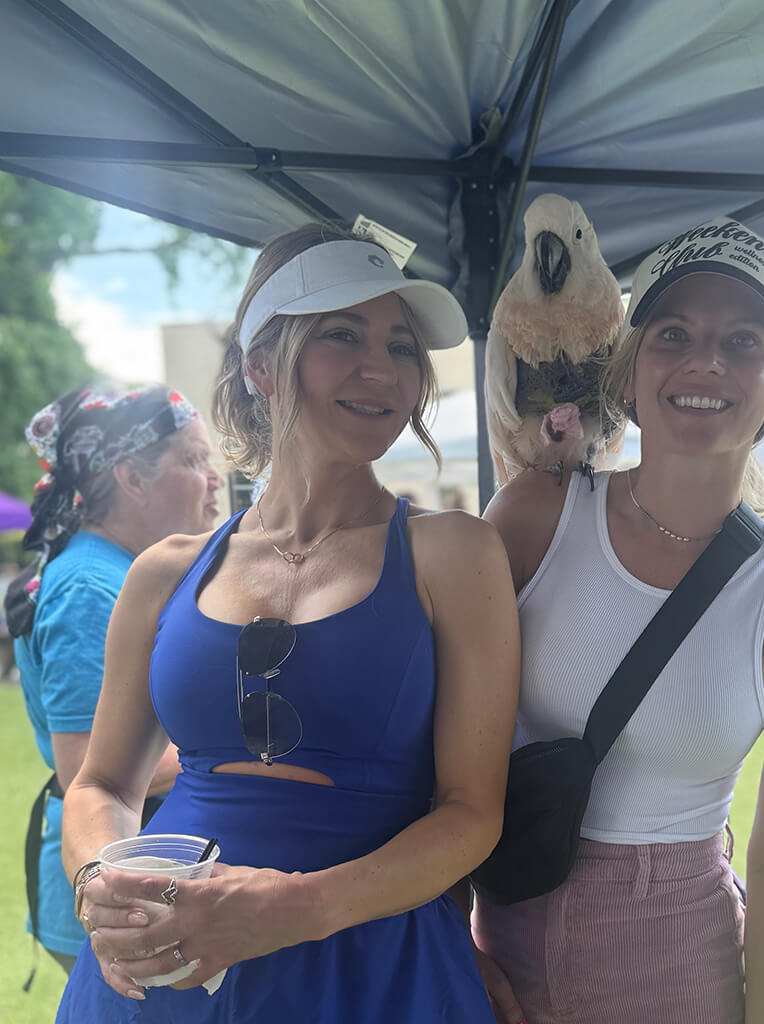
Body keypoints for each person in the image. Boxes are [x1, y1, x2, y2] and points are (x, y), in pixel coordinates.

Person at [57, 224, 519, 1021]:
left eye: (402, 346)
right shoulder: (163, 573)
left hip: (371, 969)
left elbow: (471, 811)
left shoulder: (455, 555)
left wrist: (288, 911)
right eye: (342, 335)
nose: (380, 367)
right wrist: (102, 883)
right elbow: (100, 782)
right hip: (162, 977)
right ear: (262, 365)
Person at [473, 217, 764, 1024]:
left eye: (745, 342)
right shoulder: (534, 516)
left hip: (680, 957)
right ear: (628, 369)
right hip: (502, 940)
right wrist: (454, 950)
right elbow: (436, 758)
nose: (705, 362)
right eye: (673, 333)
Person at [3, 385, 223, 979]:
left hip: (136, 868)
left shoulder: (119, 572)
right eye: (195, 460)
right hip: (110, 878)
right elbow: (86, 769)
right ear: (132, 476)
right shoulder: (88, 587)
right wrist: (243, 746)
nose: (215, 479)